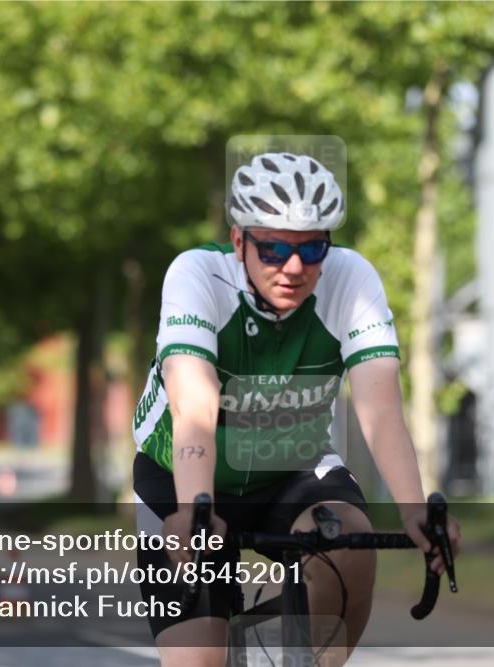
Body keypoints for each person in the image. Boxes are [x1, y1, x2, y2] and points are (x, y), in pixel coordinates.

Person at [132, 152, 461, 666]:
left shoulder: (351, 279)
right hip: (183, 475)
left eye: (312, 249)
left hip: (291, 466)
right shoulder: (196, 275)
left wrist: (416, 510)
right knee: (199, 661)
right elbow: (194, 401)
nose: (294, 267)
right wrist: (194, 509)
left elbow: (380, 409)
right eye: (274, 249)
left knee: (348, 543)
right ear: (239, 240)